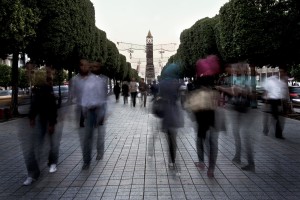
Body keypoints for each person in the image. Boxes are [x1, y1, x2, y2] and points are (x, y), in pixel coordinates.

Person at [216, 64, 256, 172]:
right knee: (236, 133)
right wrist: (223, 89)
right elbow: (233, 90)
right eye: (233, 69)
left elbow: (252, 94)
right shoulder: (235, 79)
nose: (233, 71)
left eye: (236, 69)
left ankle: (250, 163)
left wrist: (242, 91)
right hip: (237, 109)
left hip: (245, 110)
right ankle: (238, 156)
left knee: (245, 136)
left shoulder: (249, 79)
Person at [23, 74, 58, 186]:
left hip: (47, 120)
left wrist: (51, 123)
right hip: (40, 120)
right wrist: (32, 117)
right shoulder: (37, 90)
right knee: (37, 144)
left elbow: (52, 107)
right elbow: (34, 105)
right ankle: (34, 172)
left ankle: (51, 162)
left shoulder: (48, 90)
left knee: (50, 142)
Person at [189, 55, 220, 178]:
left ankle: (201, 162)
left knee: (200, 139)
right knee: (212, 143)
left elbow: (192, 101)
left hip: (201, 115)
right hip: (211, 115)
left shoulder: (198, 81)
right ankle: (211, 168)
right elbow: (217, 100)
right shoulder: (212, 82)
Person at [80, 61, 108, 170]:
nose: (94, 68)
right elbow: (84, 96)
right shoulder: (86, 81)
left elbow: (104, 99)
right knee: (88, 137)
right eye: (93, 66)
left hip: (99, 110)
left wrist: (103, 114)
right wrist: (84, 111)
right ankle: (86, 161)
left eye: (97, 66)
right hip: (90, 111)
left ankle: (100, 152)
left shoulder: (102, 80)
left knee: (100, 134)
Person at [159, 63, 184, 172]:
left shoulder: (162, 83)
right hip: (175, 112)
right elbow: (182, 97)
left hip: (166, 112)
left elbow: (159, 95)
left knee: (169, 137)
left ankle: (171, 160)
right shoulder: (178, 83)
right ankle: (172, 160)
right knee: (174, 137)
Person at [262, 69, 289, 139]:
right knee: (272, 117)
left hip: (280, 101)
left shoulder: (284, 81)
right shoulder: (271, 80)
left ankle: (278, 134)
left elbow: (285, 92)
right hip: (271, 100)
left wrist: (286, 102)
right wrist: (266, 101)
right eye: (280, 72)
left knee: (278, 118)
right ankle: (266, 128)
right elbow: (266, 91)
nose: (282, 73)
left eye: (283, 72)